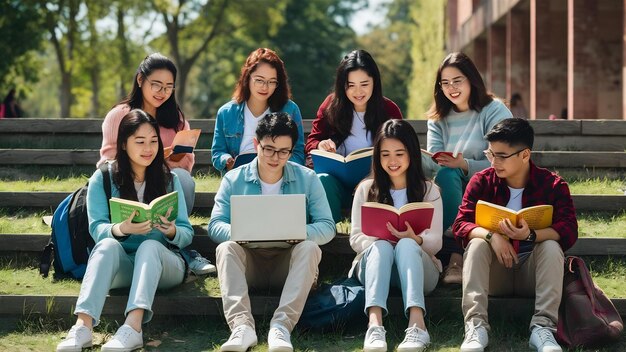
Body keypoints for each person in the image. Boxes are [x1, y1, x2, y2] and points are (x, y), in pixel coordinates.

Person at [56, 110, 194, 352]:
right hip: (123, 264)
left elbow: (186, 232)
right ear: (123, 143)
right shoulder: (104, 178)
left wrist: (172, 231)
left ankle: (133, 328)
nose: (148, 148)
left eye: (153, 141)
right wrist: (121, 229)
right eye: (140, 142)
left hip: (165, 264)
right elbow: (97, 228)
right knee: (106, 245)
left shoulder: (169, 179)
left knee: (150, 246)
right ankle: (82, 327)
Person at [208, 112, 335, 352]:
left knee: (309, 247)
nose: (275, 158)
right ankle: (241, 327)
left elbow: (327, 226)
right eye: (268, 149)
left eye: (283, 152)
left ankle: (281, 327)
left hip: (288, 264)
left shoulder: (307, 178)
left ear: (291, 150)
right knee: (226, 248)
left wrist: (299, 232)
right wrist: (240, 233)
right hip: (249, 263)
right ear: (256, 144)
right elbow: (215, 225)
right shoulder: (233, 179)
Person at [453, 118, 578, 352]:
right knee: (477, 243)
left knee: (551, 245)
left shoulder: (552, 185)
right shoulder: (481, 181)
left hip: (533, 274)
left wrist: (531, 235)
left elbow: (569, 230)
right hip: (495, 273)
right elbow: (460, 224)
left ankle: (543, 328)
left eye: (502, 156)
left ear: (525, 154)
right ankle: (475, 326)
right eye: (491, 154)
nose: (494, 162)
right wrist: (493, 237)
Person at [349, 119, 443, 352]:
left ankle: (418, 326)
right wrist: (380, 239)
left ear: (411, 153)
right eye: (385, 154)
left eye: (399, 154)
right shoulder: (366, 189)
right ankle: (374, 326)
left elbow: (436, 242)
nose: (392, 161)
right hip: (376, 266)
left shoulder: (429, 190)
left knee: (408, 246)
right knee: (382, 247)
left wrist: (415, 238)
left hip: (419, 270)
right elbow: (355, 238)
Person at [426, 52, 512, 285]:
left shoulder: (493, 110)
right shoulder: (437, 119)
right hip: (449, 185)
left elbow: (504, 159)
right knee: (446, 173)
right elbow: (434, 160)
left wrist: (465, 165)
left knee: (457, 174)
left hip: (490, 182)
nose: (451, 87)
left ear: (471, 79)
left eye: (457, 80)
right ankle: (450, 255)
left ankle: (455, 257)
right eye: (445, 83)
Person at [305, 49, 403, 222]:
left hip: (377, 184)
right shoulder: (331, 106)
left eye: (364, 84)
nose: (358, 92)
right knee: (323, 180)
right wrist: (321, 146)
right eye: (350, 85)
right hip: (338, 186)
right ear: (342, 85)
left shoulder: (388, 110)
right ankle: (328, 237)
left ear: (375, 82)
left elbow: (403, 150)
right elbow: (312, 141)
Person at [98, 53, 196, 215]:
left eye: (168, 87)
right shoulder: (118, 115)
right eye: (156, 85)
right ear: (140, 80)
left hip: (162, 183)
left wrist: (166, 160)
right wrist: (144, 159)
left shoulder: (176, 120)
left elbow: (186, 165)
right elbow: (107, 162)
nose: (162, 92)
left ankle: (173, 228)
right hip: (127, 183)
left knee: (183, 178)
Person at [212, 48, 305, 174]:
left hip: (279, 176)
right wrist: (227, 161)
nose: (265, 87)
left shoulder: (290, 109)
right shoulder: (226, 113)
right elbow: (218, 153)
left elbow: (298, 153)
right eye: (259, 80)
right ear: (247, 77)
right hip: (239, 176)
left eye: (272, 82)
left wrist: (278, 163)